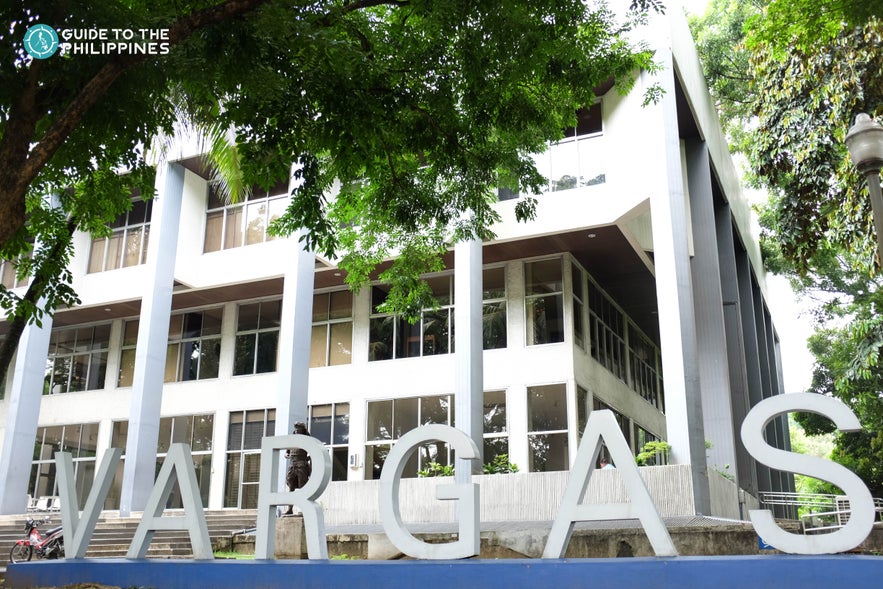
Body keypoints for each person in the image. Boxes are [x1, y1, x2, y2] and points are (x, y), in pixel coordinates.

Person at [283, 422, 313, 515]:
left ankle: (303, 509)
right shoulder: (292, 441)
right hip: (292, 465)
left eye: (299, 430)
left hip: (301, 466)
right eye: (296, 430)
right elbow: (286, 453)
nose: (297, 432)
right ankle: (290, 509)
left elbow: (312, 453)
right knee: (291, 486)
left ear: (302, 431)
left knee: (303, 487)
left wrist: (308, 459)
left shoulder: (307, 440)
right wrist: (287, 455)